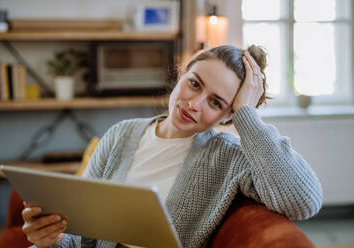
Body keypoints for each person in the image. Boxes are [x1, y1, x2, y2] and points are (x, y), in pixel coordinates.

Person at [22, 45, 323, 248]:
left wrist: (248, 116)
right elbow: (80, 237)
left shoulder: (229, 157)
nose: (194, 104)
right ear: (182, 74)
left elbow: (303, 201)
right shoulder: (120, 135)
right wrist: (51, 237)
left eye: (216, 102)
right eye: (194, 84)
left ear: (228, 115)